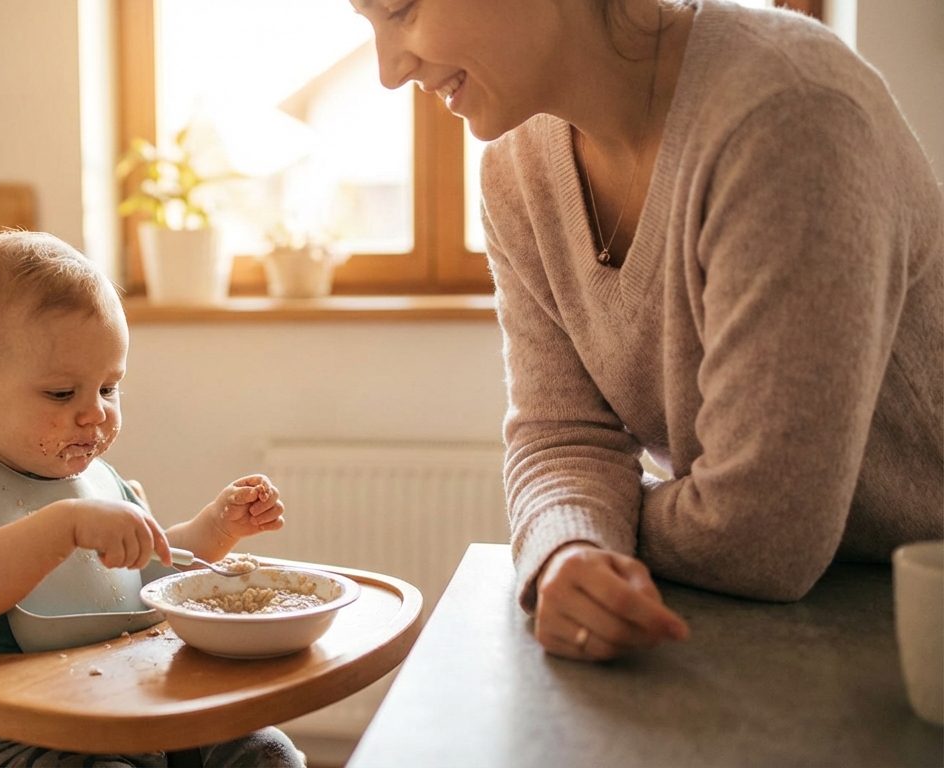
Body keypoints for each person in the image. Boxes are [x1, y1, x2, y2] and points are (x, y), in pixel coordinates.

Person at [349, 0, 944, 661]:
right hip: (792, 621)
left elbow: (763, 533)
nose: (387, 70)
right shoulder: (516, 170)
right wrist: (570, 549)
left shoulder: (788, 111)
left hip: (915, 611)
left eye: (399, 9)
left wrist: (586, 517)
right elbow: (559, 434)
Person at [0, 230, 304, 767]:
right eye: (62, 393)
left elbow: (148, 566)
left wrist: (216, 527)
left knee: (262, 749)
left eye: (109, 388)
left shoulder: (99, 480)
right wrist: (64, 526)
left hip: (135, 706)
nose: (95, 413)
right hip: (31, 738)